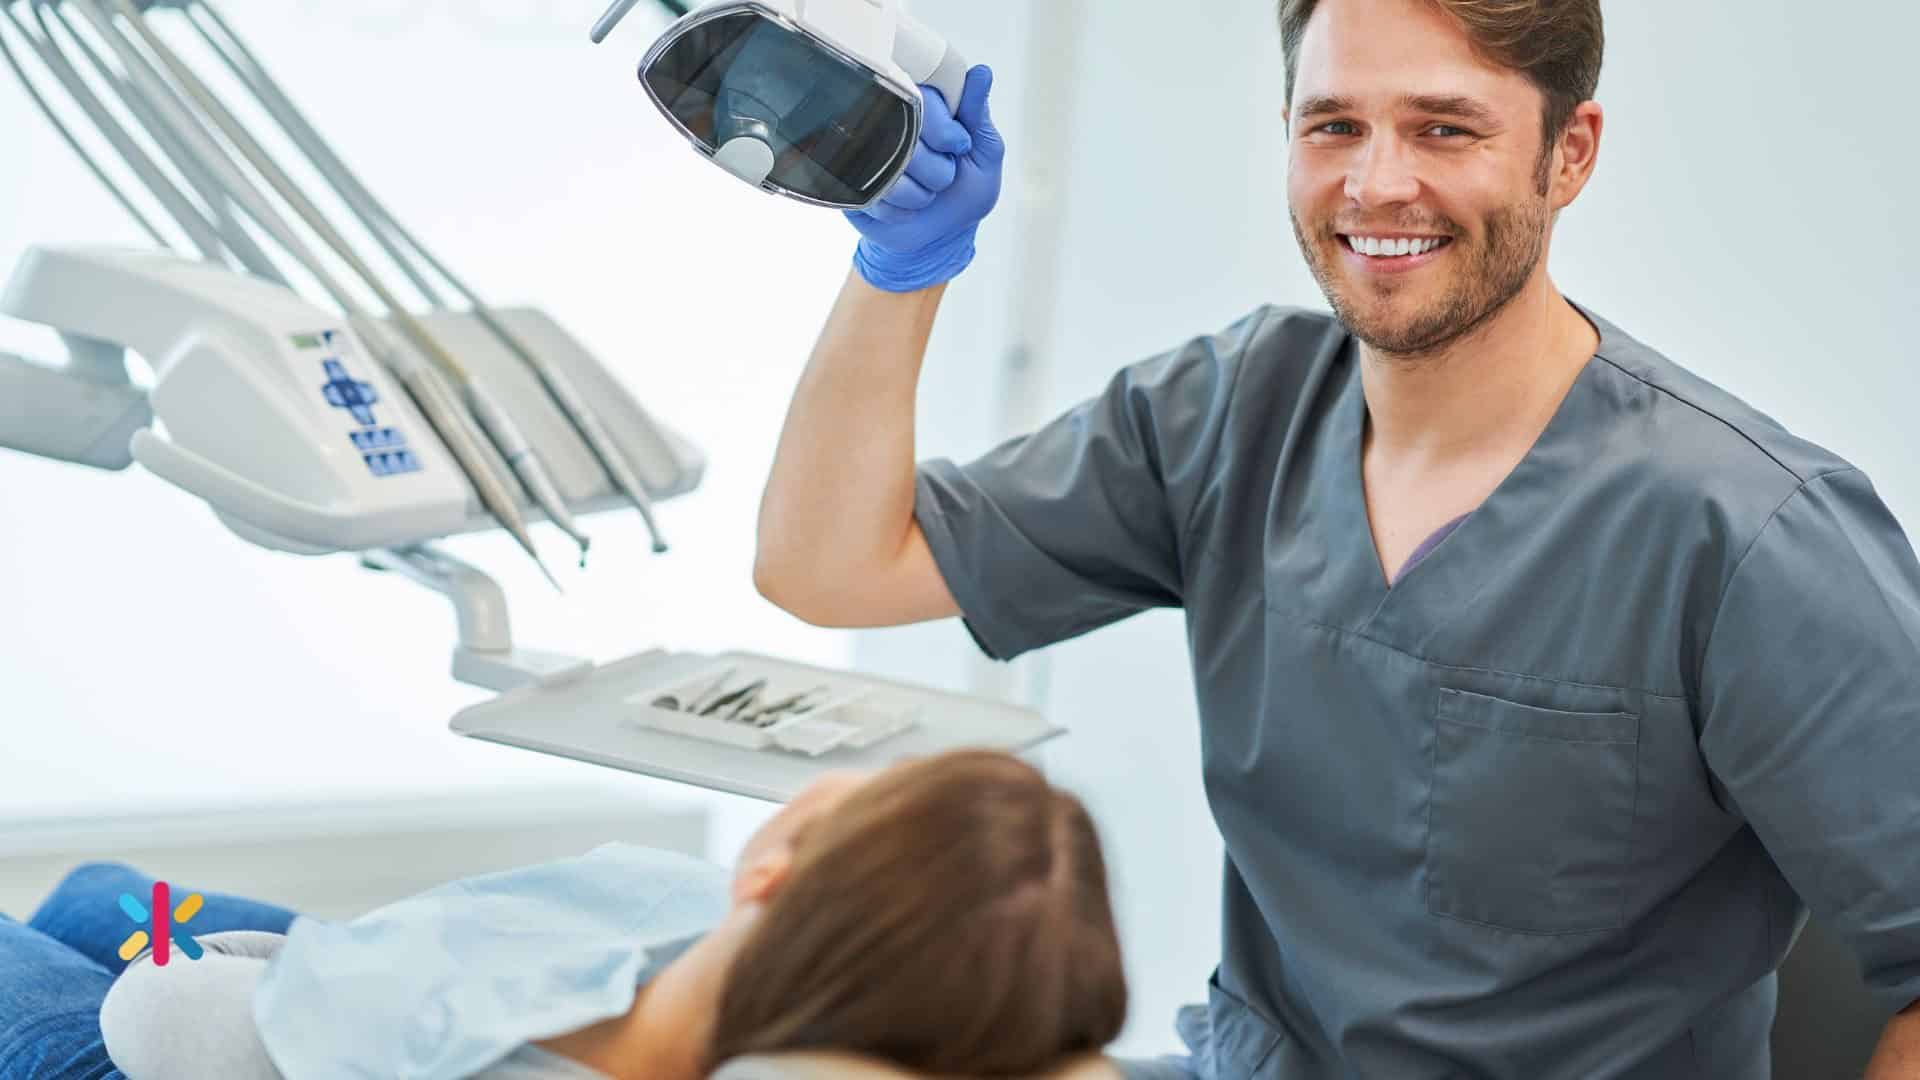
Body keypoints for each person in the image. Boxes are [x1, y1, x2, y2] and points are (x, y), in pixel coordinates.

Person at [750, 0, 1920, 1077]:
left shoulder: (1749, 530)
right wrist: (902, 265)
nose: (1376, 181)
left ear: (1570, 152)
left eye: (1445, 129)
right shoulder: (1232, 413)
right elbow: (829, 567)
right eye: (1335, 124)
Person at [0, 751, 1130, 1079]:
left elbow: (160, 1011)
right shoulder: (791, 980)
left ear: (778, 873)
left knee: (83, 935)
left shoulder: (451, 1039)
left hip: (202, 1034)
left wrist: (287, 963)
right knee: (101, 893)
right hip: (343, 982)